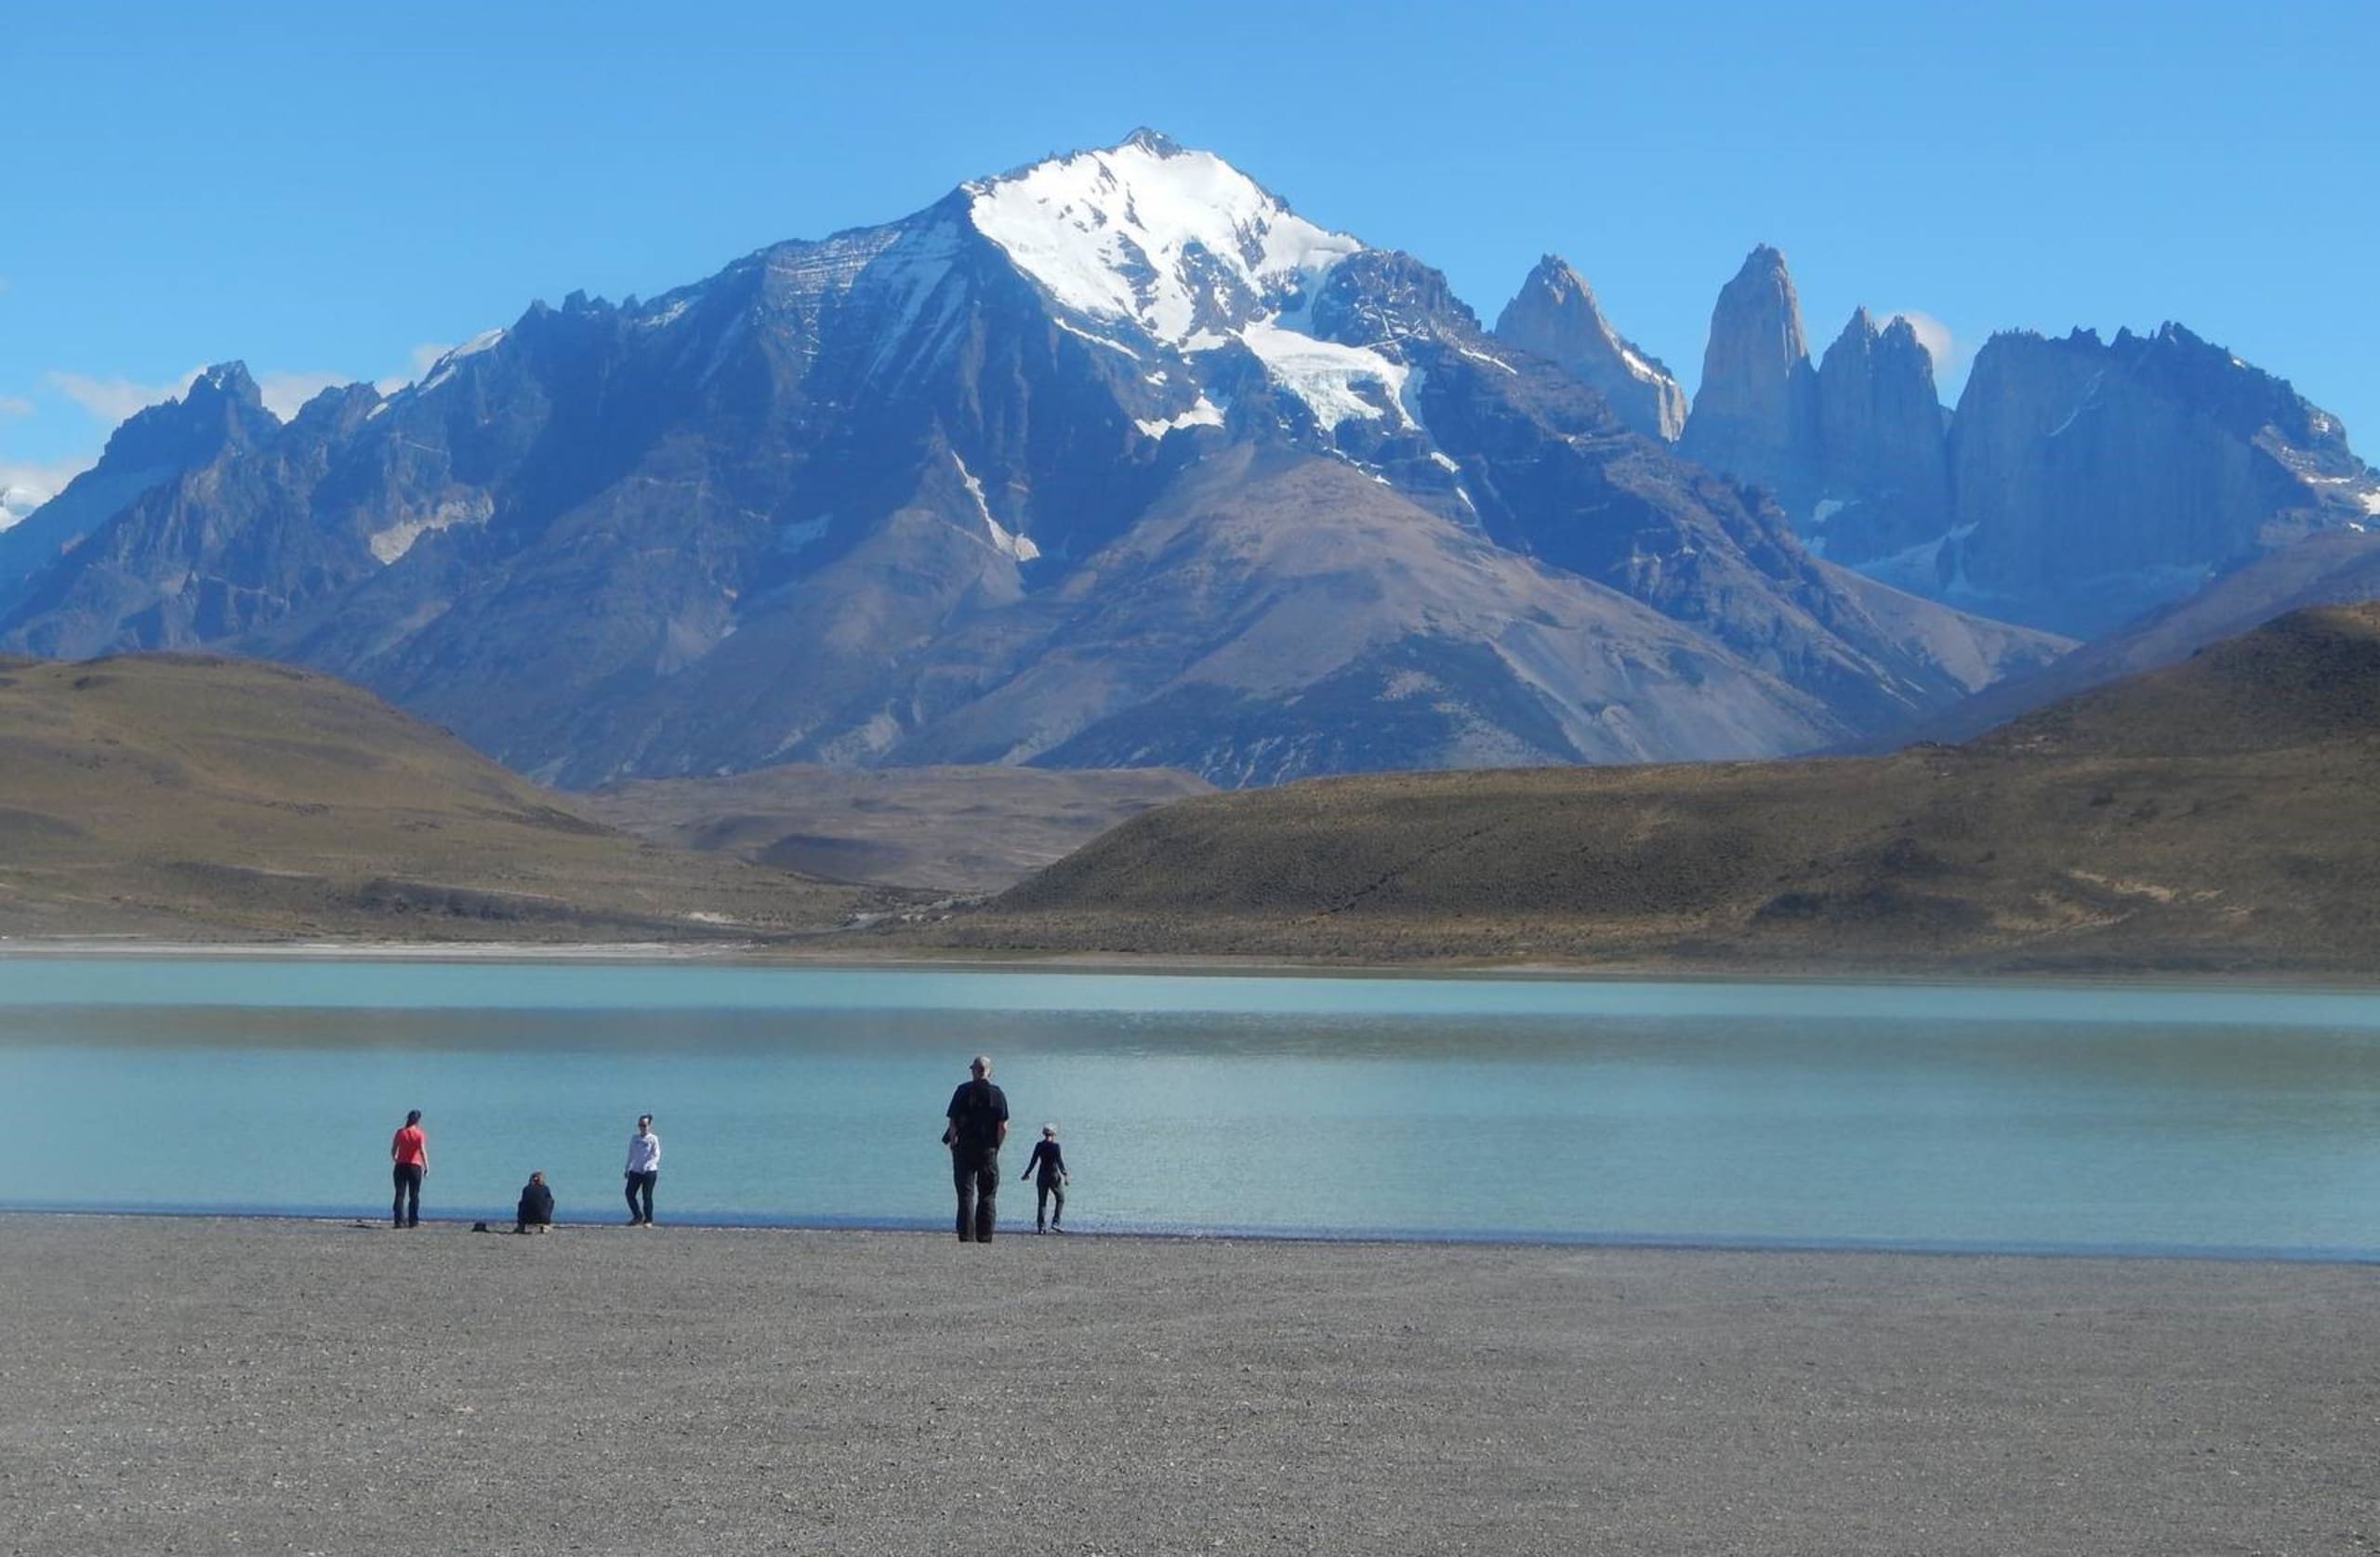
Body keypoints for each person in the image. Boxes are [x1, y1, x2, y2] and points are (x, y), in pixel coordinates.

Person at [943, 1054, 1009, 1242]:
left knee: (965, 1194)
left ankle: (966, 1234)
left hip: (964, 1148)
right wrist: (997, 1146)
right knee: (987, 1194)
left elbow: (953, 1122)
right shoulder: (998, 1094)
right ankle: (985, 1235)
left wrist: (953, 1142)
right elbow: (1003, 1126)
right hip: (988, 1149)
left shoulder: (962, 1091)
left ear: (974, 1071)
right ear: (989, 1071)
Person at [1022, 1123, 1069, 1234]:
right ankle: (1055, 1223)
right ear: (1054, 1134)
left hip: (1042, 1175)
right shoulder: (1056, 1146)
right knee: (1061, 1198)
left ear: (1044, 1133)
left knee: (1042, 1201)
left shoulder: (1039, 1145)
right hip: (1053, 1176)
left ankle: (1041, 1227)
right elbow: (1059, 1161)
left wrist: (1027, 1173)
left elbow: (1033, 1161)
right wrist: (1065, 1174)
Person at [390, 1109, 427, 1228]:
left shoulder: (401, 1132)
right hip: (414, 1166)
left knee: (400, 1193)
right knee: (414, 1194)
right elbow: (422, 1150)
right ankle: (413, 1220)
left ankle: (399, 1220)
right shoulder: (419, 1133)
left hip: (401, 1165)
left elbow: (394, 1149)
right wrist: (426, 1165)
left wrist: (395, 1158)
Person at [624, 1115, 661, 1226]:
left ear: (649, 1126)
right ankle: (637, 1216)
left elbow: (657, 1155)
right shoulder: (635, 1138)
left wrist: (648, 1165)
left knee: (647, 1196)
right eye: (640, 1125)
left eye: (644, 1125)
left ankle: (648, 1220)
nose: (642, 1127)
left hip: (649, 1172)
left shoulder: (653, 1139)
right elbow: (631, 1154)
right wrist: (627, 1168)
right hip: (635, 1171)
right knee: (629, 1193)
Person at [515, 1170, 555, 1234]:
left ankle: (521, 1226)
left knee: (521, 1203)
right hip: (542, 1218)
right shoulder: (545, 1189)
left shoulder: (526, 1189)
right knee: (550, 1201)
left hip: (526, 1218)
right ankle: (545, 1225)